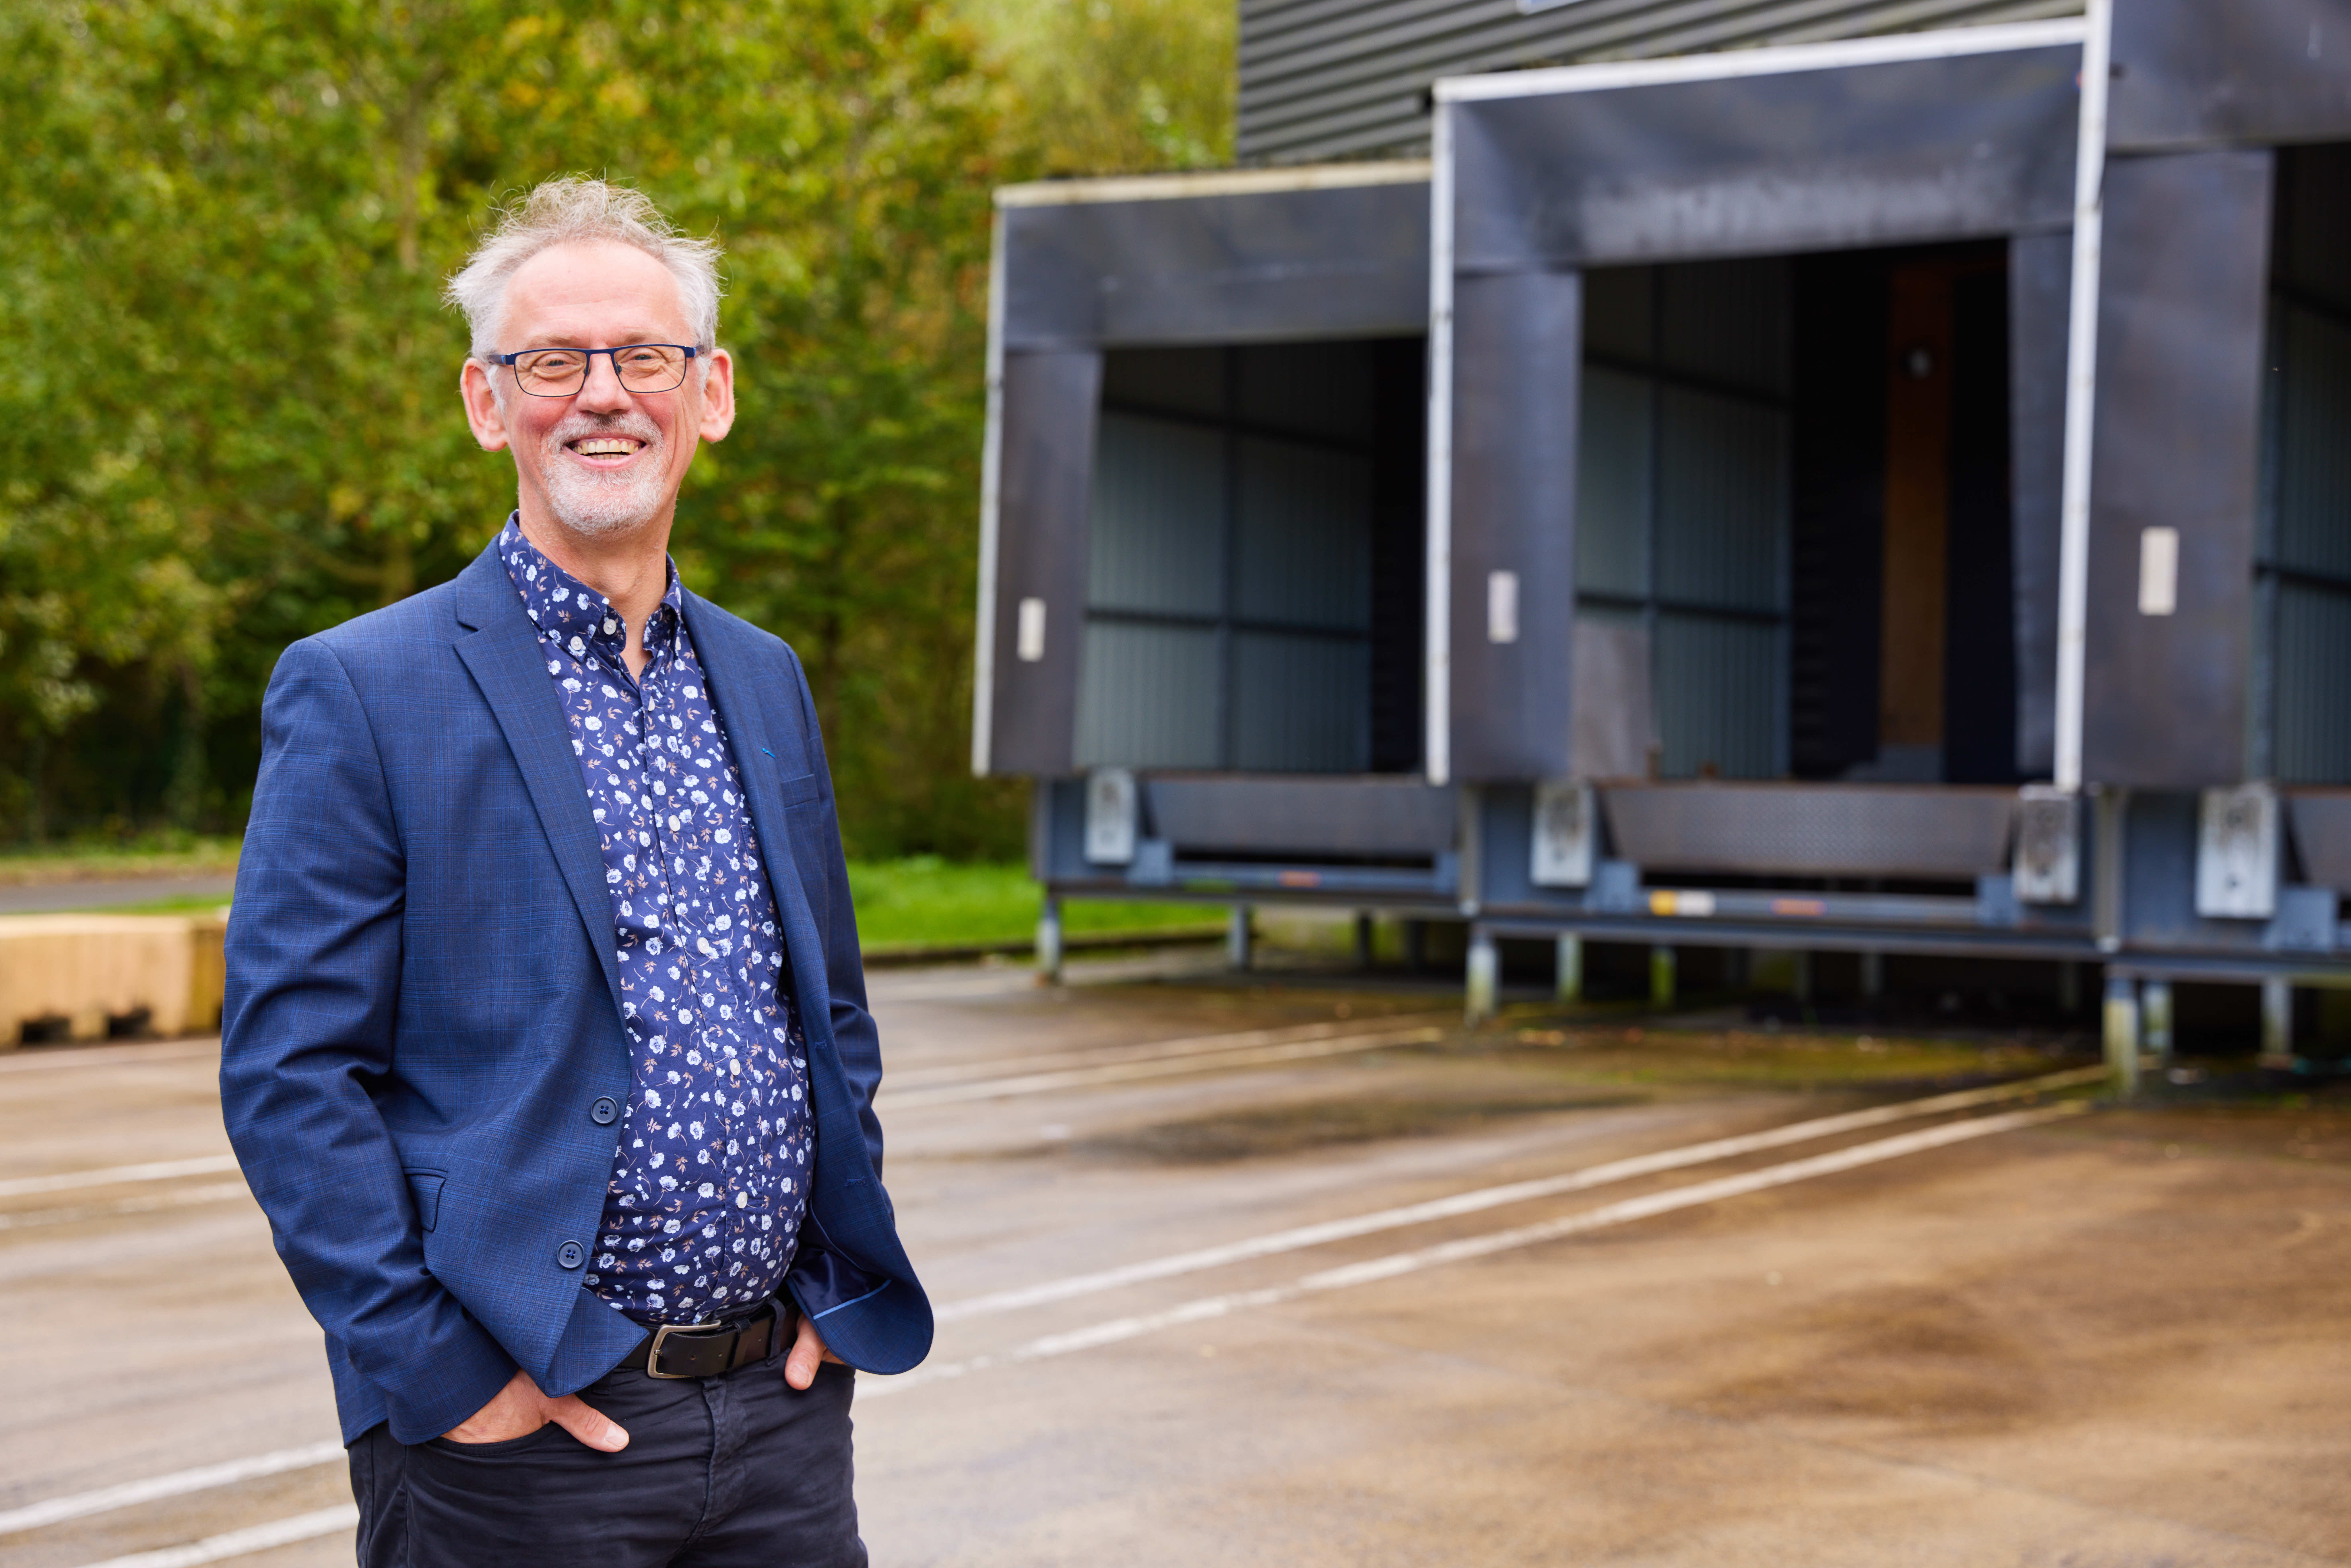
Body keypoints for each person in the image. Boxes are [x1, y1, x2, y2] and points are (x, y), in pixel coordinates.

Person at [220, 176, 929, 1568]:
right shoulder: (363, 687)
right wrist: (441, 1378)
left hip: (779, 1425)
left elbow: (825, 1016)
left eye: (642, 356)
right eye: (553, 360)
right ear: (489, 403)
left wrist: (832, 1284)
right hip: (521, 1443)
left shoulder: (765, 677)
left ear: (708, 392)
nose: (601, 393)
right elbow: (291, 1074)